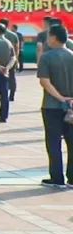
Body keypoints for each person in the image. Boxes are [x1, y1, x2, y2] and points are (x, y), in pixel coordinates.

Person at [37, 23, 73, 187]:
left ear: (53, 37)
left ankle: (57, 177)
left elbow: (44, 81)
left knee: (53, 143)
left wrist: (60, 98)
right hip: (71, 106)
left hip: (52, 106)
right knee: (71, 142)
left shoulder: (46, 57)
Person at [0, 18, 19, 102]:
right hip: (12, 59)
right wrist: (16, 58)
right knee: (12, 77)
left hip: (1, 59)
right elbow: (17, 48)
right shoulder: (14, 35)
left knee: (2, 78)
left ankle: (3, 95)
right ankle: (12, 95)